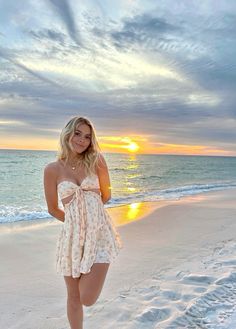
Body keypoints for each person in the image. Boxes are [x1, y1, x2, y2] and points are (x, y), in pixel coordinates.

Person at [44, 116, 122, 329]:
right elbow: (52, 208)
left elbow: (106, 196)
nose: (82, 140)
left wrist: (90, 216)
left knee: (87, 297)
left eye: (87, 136)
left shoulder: (97, 161)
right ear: (67, 133)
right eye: (78, 133)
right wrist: (74, 224)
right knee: (73, 297)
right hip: (72, 237)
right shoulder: (52, 169)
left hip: (99, 233)